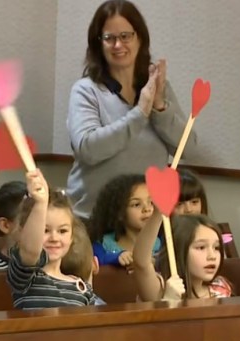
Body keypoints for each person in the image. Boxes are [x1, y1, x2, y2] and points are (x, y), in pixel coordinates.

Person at [66, 0, 189, 219]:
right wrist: (140, 113)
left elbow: (188, 148)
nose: (118, 45)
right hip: (92, 220)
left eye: (125, 36)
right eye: (109, 38)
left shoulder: (158, 87)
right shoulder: (86, 90)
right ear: (98, 44)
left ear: (140, 38)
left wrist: (159, 108)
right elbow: (88, 149)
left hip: (147, 222)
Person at [7, 170, 98, 309]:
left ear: (72, 235)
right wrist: (40, 203)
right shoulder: (26, 278)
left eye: (62, 231)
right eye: (45, 230)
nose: (54, 238)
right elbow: (30, 251)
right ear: (23, 233)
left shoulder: (81, 288)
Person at [134, 211, 232, 300]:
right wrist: (158, 214)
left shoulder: (220, 287)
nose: (212, 256)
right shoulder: (163, 289)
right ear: (178, 250)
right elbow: (141, 263)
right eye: (201, 247)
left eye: (216, 248)